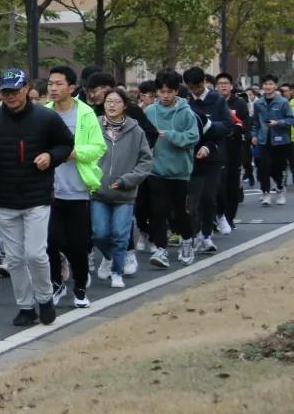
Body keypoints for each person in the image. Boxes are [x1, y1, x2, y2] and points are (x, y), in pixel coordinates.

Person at [0, 69, 75, 327]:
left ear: (26, 89)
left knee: (35, 254)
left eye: (15, 91)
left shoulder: (46, 117)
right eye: (5, 91)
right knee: (15, 259)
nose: (10, 96)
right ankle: (26, 307)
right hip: (4, 198)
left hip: (37, 196)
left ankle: (45, 299)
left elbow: (66, 144)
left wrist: (50, 157)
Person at [45, 66, 105, 309]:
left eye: (58, 84)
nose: (53, 88)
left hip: (77, 190)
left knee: (78, 245)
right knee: (50, 241)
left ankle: (80, 288)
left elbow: (98, 147)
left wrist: (74, 153)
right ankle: (56, 283)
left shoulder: (86, 114)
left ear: (71, 87)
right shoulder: (44, 113)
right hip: (49, 190)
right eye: (50, 83)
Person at [92, 88, 152, 288]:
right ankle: (108, 257)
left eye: (116, 101)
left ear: (125, 105)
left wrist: (127, 180)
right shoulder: (94, 126)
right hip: (98, 191)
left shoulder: (136, 131)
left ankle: (117, 272)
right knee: (99, 233)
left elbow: (145, 162)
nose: (111, 105)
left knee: (120, 234)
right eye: (108, 101)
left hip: (125, 193)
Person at [144, 71, 199, 269]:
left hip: (180, 172)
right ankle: (161, 249)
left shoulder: (186, 112)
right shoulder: (150, 111)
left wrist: (170, 135)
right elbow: (143, 136)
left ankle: (187, 241)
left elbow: (193, 137)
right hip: (155, 170)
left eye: (169, 91)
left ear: (176, 91)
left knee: (180, 212)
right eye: (161, 91)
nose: (165, 95)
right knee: (158, 211)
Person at [184, 66, 231, 256]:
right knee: (192, 200)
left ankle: (207, 235)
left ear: (204, 82)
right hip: (191, 157)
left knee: (209, 198)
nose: (195, 91)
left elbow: (227, 126)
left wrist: (208, 126)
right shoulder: (185, 102)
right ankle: (194, 235)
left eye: (197, 87)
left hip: (212, 156)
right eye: (191, 88)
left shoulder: (217, 100)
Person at [252, 74, 294, 206]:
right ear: (262, 86)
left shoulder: (283, 102)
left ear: (275, 86)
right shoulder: (258, 103)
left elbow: (291, 120)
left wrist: (278, 122)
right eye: (265, 84)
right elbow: (255, 122)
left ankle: (280, 189)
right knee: (264, 167)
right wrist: (254, 135)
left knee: (278, 167)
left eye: (270, 84)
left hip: (281, 140)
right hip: (264, 140)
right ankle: (266, 193)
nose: (268, 86)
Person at [215, 73, 248, 234]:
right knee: (218, 185)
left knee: (232, 185)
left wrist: (234, 130)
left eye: (226, 83)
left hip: (234, 149)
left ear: (231, 86)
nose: (223, 86)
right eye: (220, 83)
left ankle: (229, 217)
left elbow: (245, 123)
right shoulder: (213, 103)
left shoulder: (239, 103)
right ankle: (217, 216)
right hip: (216, 149)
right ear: (216, 86)